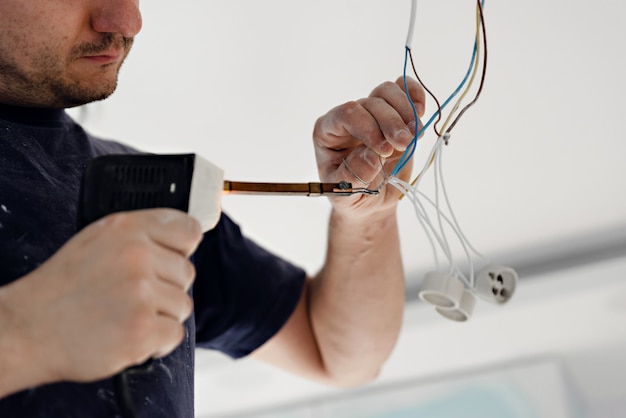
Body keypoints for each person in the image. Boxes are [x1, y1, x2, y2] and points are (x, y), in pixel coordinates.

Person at [0, 1, 425, 417]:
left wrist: (366, 217)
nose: (128, 21)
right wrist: (26, 333)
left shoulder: (138, 192)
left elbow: (335, 352)